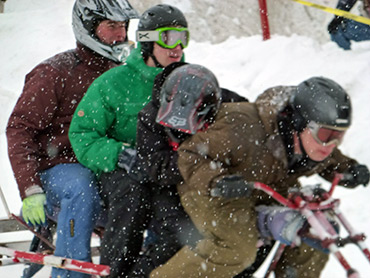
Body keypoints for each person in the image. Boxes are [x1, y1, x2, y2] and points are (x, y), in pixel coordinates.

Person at [150, 76, 370, 278]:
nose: (331, 145)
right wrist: (216, 180)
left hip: (264, 189)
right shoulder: (242, 126)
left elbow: (330, 159)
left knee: (317, 233)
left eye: (338, 136)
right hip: (216, 189)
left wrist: (350, 170)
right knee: (237, 247)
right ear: (300, 124)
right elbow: (191, 153)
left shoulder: (311, 145)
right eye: (326, 135)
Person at [6, 1, 139, 278]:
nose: (120, 34)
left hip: (106, 166)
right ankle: (70, 275)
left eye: (123, 26)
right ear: (88, 27)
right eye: (111, 26)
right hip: (61, 171)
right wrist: (30, 189)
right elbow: (20, 129)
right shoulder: (55, 72)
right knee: (82, 185)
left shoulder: (128, 74)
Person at [68, 4, 190, 277]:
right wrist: (120, 155)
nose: (177, 48)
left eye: (183, 39)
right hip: (124, 171)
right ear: (147, 42)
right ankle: (116, 271)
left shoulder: (188, 81)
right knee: (132, 200)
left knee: (181, 227)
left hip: (165, 169)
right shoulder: (113, 83)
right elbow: (82, 135)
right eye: (169, 38)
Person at [129, 62, 265, 277]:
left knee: (255, 228)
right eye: (175, 129)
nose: (181, 134)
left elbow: (247, 144)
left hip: (222, 182)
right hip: (170, 185)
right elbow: (158, 167)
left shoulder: (234, 108)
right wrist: (200, 166)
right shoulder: (149, 117)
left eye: (188, 129)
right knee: (179, 234)